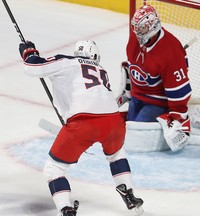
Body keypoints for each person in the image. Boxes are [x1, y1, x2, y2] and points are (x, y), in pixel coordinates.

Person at [19, 40, 144, 216]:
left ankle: (66, 209)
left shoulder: (67, 62)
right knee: (117, 155)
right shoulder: (101, 70)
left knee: (54, 168)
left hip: (83, 124)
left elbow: (32, 68)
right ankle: (129, 195)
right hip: (114, 122)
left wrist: (29, 53)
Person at [121, 4, 194, 152]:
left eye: (141, 29)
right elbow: (133, 67)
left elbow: (179, 89)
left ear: (152, 27)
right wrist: (127, 92)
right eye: (136, 28)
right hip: (138, 97)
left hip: (157, 101)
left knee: (137, 137)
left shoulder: (171, 50)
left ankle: (186, 119)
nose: (137, 32)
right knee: (126, 129)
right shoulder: (135, 40)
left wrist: (178, 117)